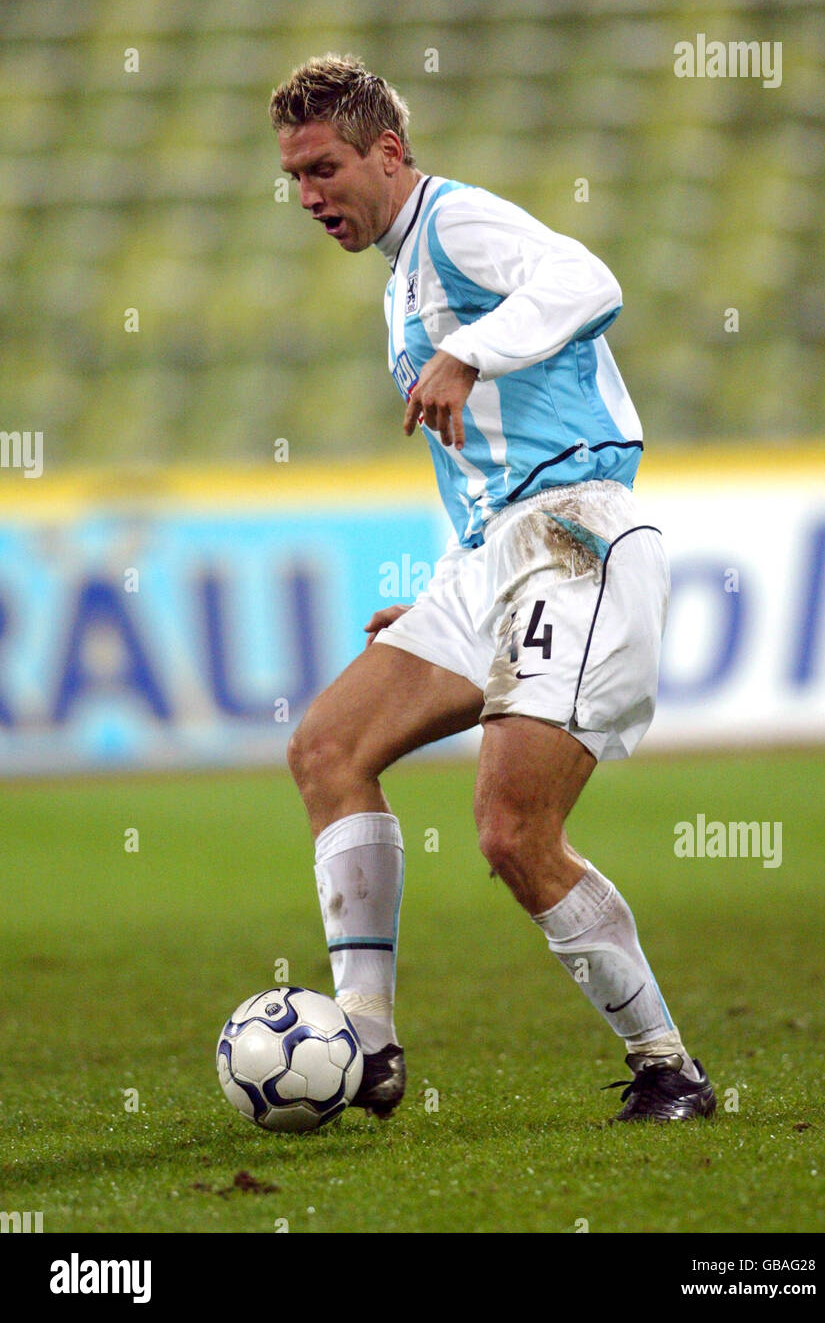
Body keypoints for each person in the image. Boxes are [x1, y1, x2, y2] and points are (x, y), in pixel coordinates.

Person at [269, 54, 715, 1123]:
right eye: (293, 177)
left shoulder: (455, 223)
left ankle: (669, 1069)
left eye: (324, 167)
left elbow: (587, 281)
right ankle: (365, 1048)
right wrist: (443, 599)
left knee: (512, 834)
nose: (309, 195)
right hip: (492, 562)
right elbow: (490, 472)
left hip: (577, 536)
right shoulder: (398, 276)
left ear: (389, 151)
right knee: (328, 748)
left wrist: (465, 353)